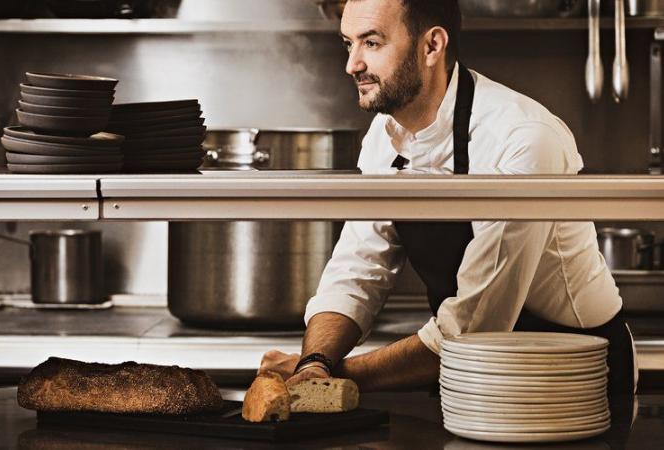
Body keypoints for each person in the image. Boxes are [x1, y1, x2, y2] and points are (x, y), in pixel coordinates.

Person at [260, 0, 637, 395]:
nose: (351, 64)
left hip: (573, 370)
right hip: (472, 370)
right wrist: (314, 363)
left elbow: (475, 324)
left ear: (431, 46)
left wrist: (338, 378)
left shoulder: (523, 137)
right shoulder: (383, 137)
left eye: (371, 43)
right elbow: (358, 270)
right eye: (348, 44)